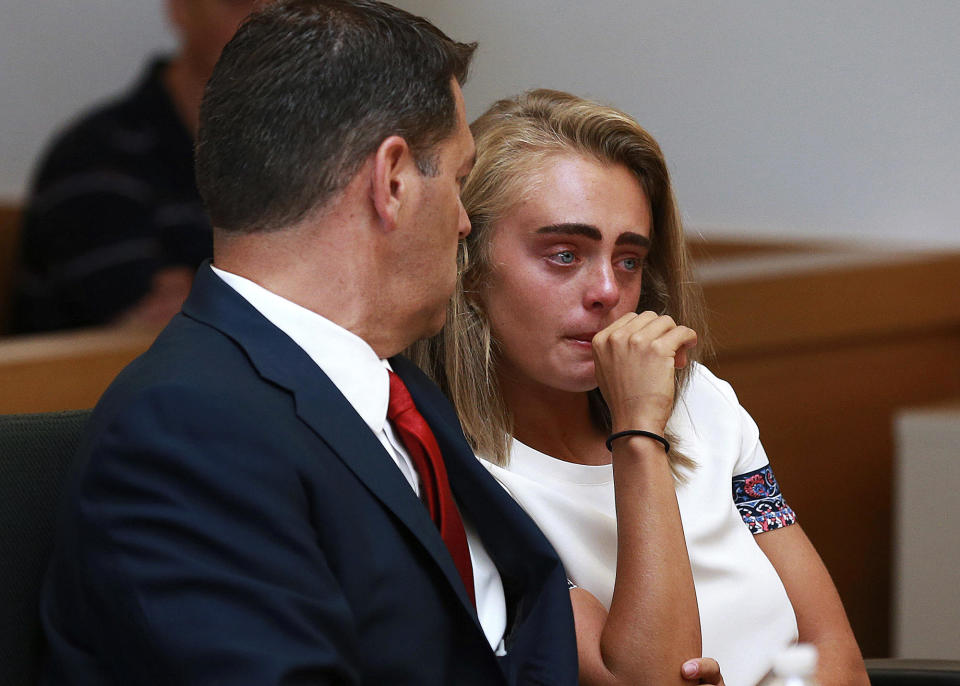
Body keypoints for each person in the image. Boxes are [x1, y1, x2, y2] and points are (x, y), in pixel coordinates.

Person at [38, 4, 586, 684]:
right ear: (392, 182)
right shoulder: (185, 432)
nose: (466, 220)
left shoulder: (398, 390)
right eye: (459, 179)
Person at [412, 89, 869, 686]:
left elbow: (833, 649)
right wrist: (637, 432)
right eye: (563, 254)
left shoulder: (700, 401)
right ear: (469, 264)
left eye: (628, 260)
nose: (606, 290)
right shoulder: (453, 475)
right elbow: (644, 678)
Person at [10, 1, 263, 333]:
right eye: (240, 3)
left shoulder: (313, 151)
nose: (269, 20)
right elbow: (153, 332)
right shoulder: (93, 157)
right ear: (181, 9)